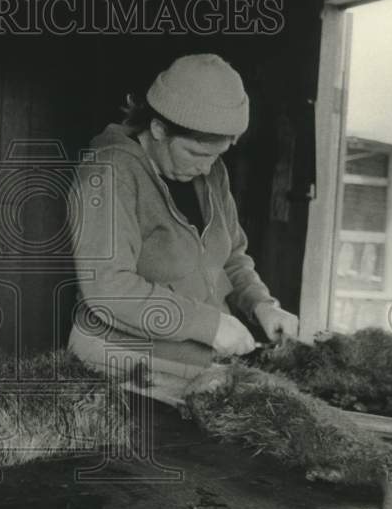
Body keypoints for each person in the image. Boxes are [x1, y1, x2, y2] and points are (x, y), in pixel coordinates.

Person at [68, 53, 298, 385]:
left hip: (195, 361)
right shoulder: (108, 175)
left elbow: (231, 257)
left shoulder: (212, 174)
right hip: (118, 361)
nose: (206, 168)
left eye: (218, 155)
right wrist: (210, 325)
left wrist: (261, 304)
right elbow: (109, 288)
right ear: (159, 128)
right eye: (196, 154)